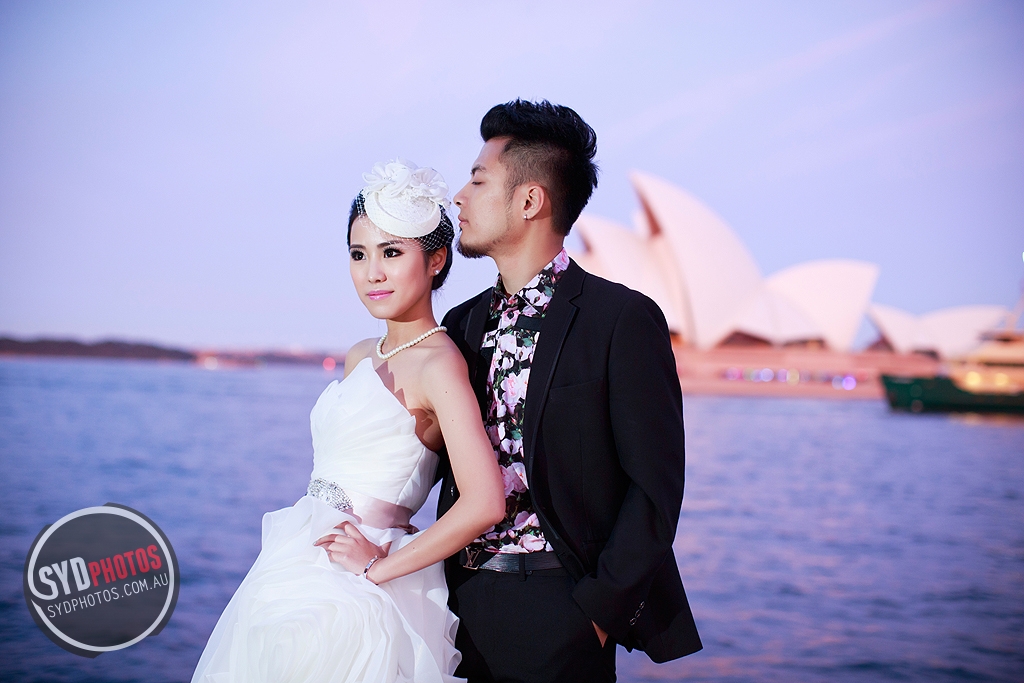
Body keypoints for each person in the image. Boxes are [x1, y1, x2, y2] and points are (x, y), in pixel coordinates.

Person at [191, 159, 506, 683]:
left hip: (363, 580)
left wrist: (376, 567)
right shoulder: (361, 353)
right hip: (298, 558)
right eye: (358, 254)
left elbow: (486, 502)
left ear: (436, 260)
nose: (371, 272)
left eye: (391, 252)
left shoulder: (440, 364)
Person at [437, 100, 702, 683]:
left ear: (530, 201)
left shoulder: (620, 320)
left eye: (478, 180)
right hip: (456, 607)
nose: (459, 196)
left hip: (559, 608)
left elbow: (655, 489)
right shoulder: (461, 324)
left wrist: (597, 615)